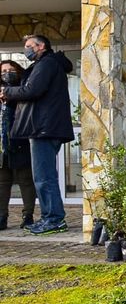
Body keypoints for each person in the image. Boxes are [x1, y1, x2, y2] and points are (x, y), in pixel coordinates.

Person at [0, 35, 74, 236]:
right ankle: (50, 218)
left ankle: (53, 220)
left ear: (40, 46)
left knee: (44, 177)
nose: (26, 50)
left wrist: (7, 92)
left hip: (44, 128)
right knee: (44, 176)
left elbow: (32, 90)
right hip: (44, 127)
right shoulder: (47, 64)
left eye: (28, 46)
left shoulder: (46, 64)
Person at [0, 60, 36, 230]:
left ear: (17, 70)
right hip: (2, 144)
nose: (7, 73)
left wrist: (11, 96)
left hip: (21, 141)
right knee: (2, 181)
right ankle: (2, 217)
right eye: (4, 71)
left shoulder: (24, 88)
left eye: (10, 70)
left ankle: (28, 215)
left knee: (26, 180)